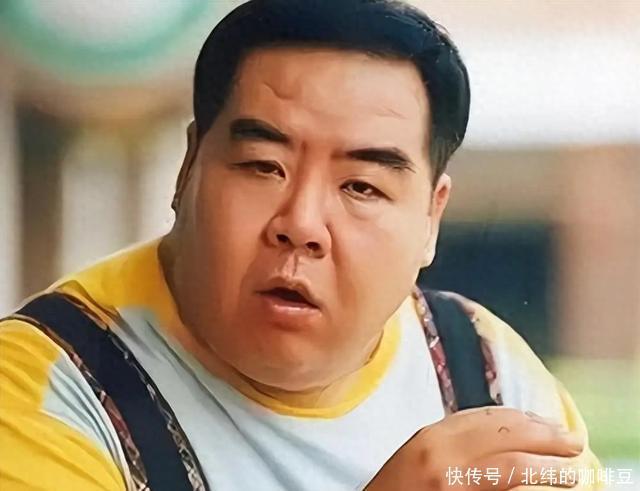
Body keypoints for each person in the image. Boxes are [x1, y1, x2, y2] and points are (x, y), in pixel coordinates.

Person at [0, 1, 601, 490]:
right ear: (188, 169)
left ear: (430, 219)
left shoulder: (482, 371)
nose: (302, 224)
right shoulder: (45, 387)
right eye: (264, 166)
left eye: (361, 186)